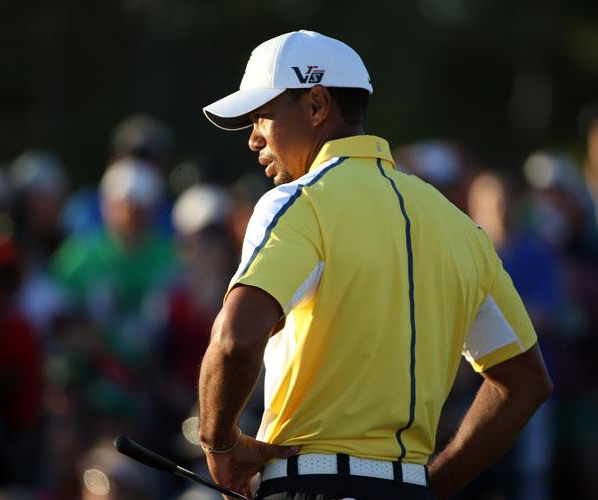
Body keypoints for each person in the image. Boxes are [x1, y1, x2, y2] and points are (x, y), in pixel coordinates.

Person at [197, 30, 553, 500]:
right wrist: (434, 484)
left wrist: (219, 443)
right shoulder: (460, 225)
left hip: (311, 485)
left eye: (262, 115)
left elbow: (235, 339)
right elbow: (524, 384)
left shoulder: (297, 202)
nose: (253, 138)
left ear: (317, 105)